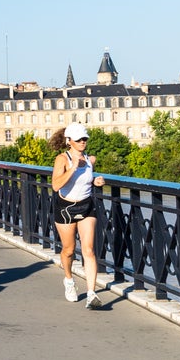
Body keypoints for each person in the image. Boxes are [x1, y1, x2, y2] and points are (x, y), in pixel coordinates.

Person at [50, 123, 107, 308]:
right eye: (79, 140)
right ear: (69, 141)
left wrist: (96, 181)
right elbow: (56, 185)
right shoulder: (62, 159)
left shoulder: (91, 159)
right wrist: (73, 167)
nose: (83, 142)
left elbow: (86, 180)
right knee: (68, 250)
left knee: (88, 250)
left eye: (85, 139)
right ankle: (68, 280)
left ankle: (91, 294)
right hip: (65, 207)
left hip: (86, 206)